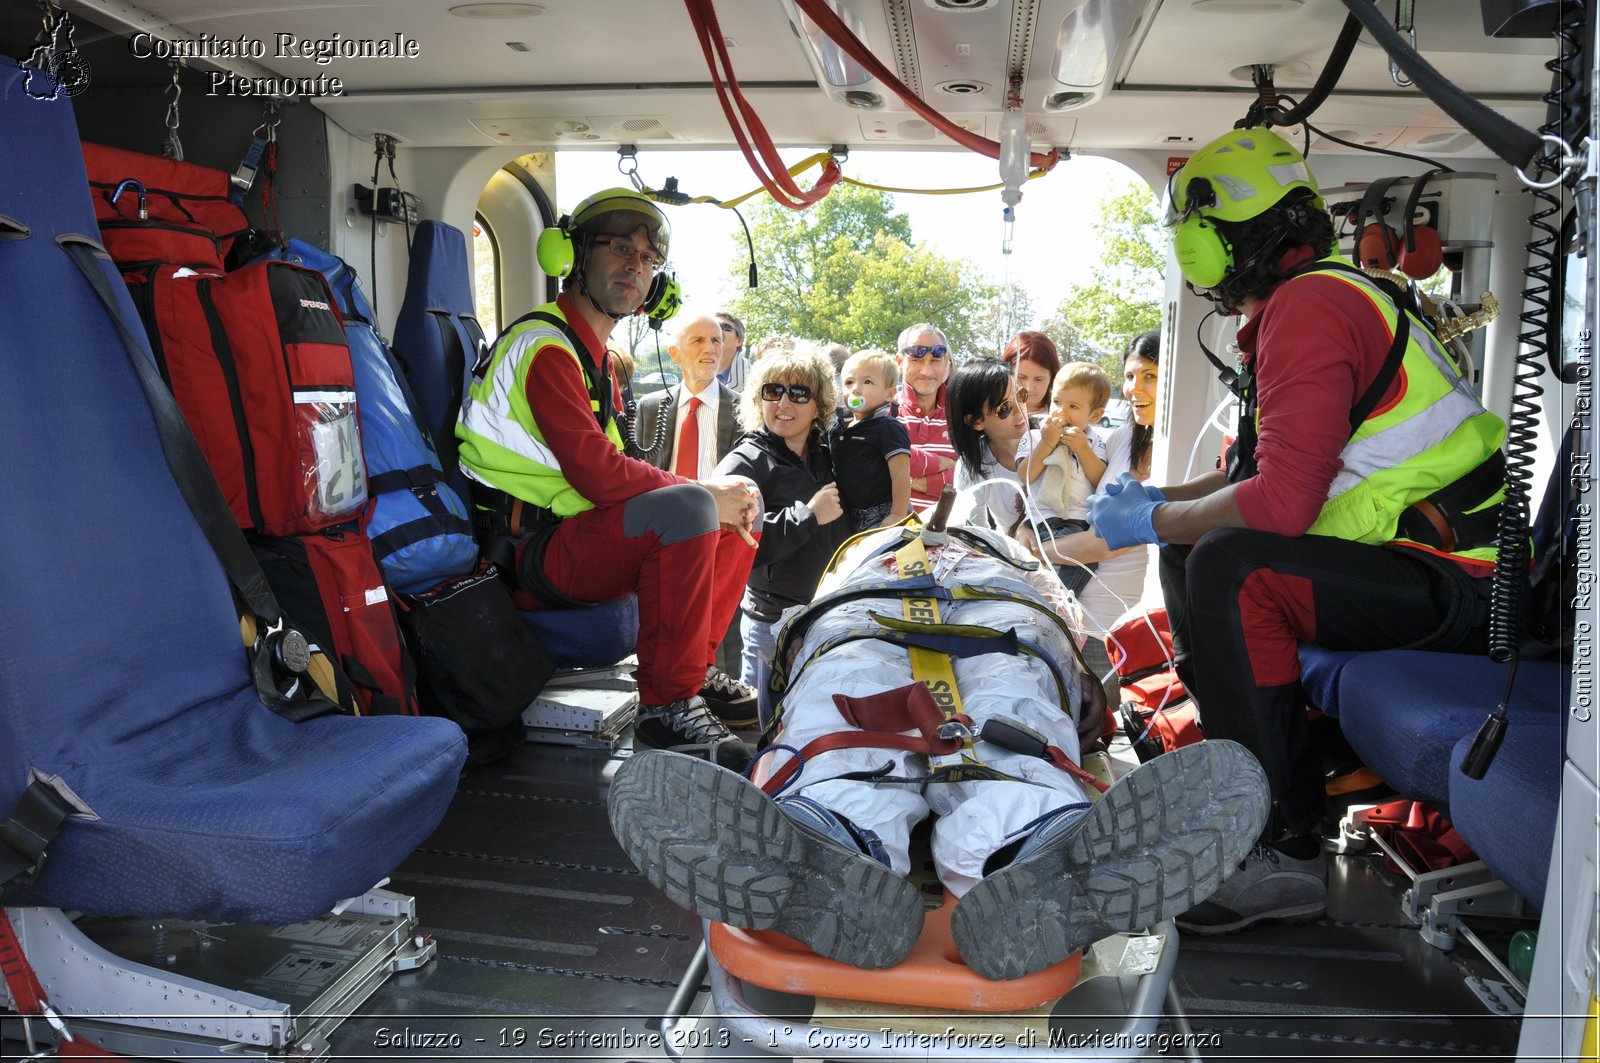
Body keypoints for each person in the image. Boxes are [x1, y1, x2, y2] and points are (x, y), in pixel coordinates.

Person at [1089, 127, 1507, 933]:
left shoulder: (1311, 309)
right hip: (1425, 566)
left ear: (1211, 238)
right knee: (1197, 545)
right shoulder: (1323, 296)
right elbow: (1259, 474)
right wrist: (1157, 503)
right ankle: (1241, 783)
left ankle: (1281, 847)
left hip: (1461, 581)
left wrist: (1152, 520)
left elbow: (1276, 507)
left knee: (1232, 566)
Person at [609, 522, 1270, 980]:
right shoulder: (881, 556)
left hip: (917, 607)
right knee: (984, 709)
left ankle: (834, 830)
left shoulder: (900, 552)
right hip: (941, 609)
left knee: (868, 702)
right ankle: (1030, 842)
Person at [456, 187, 761, 770]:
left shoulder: (589, 357)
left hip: (573, 538)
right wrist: (698, 493)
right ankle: (666, 707)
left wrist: (717, 496)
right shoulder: (545, 348)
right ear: (569, 257)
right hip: (528, 554)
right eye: (620, 248)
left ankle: (691, 671)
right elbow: (599, 474)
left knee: (742, 500)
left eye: (648, 259)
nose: (635, 267)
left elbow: (623, 470)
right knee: (693, 507)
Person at [712, 351, 848, 728]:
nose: (784, 403)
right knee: (763, 735)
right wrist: (807, 515)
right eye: (773, 391)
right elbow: (731, 545)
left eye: (799, 393)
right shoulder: (746, 461)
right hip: (771, 626)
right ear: (759, 399)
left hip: (829, 619)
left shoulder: (829, 453)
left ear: (819, 403)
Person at [1030, 334, 1162, 703]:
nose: (1136, 388)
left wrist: (1042, 550)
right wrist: (1031, 524)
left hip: (1113, 622)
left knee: (1095, 718)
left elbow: (1113, 541)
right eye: (1131, 376)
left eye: (1150, 375)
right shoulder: (1123, 435)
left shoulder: (1176, 444)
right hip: (1078, 612)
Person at [1021, 361, 1111, 593]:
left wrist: (1083, 450)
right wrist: (1047, 443)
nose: (1061, 411)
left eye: (1073, 406)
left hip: (1081, 520)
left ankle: (1058, 600)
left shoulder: (1094, 441)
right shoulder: (1034, 435)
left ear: (1095, 414)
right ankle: (1058, 602)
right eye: (1057, 402)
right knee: (1080, 558)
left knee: (1087, 558)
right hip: (1047, 518)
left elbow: (1100, 478)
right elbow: (1026, 476)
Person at [633, 313, 743, 479]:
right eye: (698, 340)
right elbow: (636, 470)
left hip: (719, 504)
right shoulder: (649, 407)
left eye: (716, 341)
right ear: (675, 354)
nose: (709, 349)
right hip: (662, 503)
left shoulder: (744, 409)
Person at [946, 358, 1038, 535]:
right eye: (1005, 408)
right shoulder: (971, 466)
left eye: (1021, 396)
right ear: (977, 421)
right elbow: (975, 532)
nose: (1019, 410)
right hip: (1017, 556)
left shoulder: (1052, 438)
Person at [831, 348, 911, 532]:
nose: (856, 388)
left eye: (867, 381)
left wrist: (897, 514)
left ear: (889, 394)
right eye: (849, 382)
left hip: (883, 513)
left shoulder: (888, 428)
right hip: (849, 515)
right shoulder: (838, 428)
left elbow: (901, 474)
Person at [894, 322, 956, 510]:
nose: (926, 371)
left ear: (946, 363)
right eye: (916, 360)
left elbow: (972, 480)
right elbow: (874, 469)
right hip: (894, 535)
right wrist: (943, 465)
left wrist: (903, 476)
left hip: (949, 535)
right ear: (899, 362)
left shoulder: (962, 416)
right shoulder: (886, 412)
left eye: (935, 361)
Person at [1001, 330, 1060, 419]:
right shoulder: (990, 412)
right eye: (1021, 377)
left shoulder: (1064, 415)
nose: (1028, 387)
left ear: (1052, 378)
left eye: (1039, 379)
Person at [714, 310, 749, 395]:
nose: (717, 330)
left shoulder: (752, 379)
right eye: (714, 326)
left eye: (725, 327)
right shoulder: (697, 373)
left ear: (739, 341)